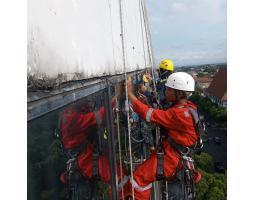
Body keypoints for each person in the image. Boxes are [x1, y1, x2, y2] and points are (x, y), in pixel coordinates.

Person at [125, 72, 201, 199]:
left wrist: (130, 95)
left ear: (179, 93)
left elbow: (150, 115)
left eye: (169, 89)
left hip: (173, 158)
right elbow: (165, 119)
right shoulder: (187, 108)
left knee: (137, 180)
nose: (165, 91)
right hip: (177, 155)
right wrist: (146, 105)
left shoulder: (179, 113)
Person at [59, 96, 129, 199]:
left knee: (120, 173)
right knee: (118, 177)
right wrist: (116, 98)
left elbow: (94, 113)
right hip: (85, 160)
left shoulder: (77, 108)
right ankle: (127, 195)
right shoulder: (69, 117)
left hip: (89, 153)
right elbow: (97, 117)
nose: (87, 100)